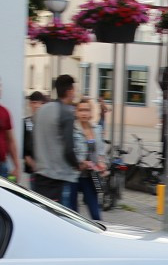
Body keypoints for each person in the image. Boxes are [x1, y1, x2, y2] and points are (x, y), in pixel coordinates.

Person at [32, 74, 79, 205]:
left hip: (40, 176)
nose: (74, 94)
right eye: (74, 90)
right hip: (58, 178)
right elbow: (69, 149)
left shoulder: (41, 110)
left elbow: (32, 141)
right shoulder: (66, 113)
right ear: (69, 91)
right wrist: (77, 164)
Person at [72, 97, 106, 221]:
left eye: (86, 110)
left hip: (90, 176)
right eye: (81, 110)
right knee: (73, 214)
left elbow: (101, 151)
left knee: (95, 213)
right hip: (75, 176)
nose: (84, 113)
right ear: (76, 112)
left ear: (91, 112)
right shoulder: (72, 130)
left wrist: (102, 163)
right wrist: (81, 162)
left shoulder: (96, 129)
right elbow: (69, 151)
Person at [23, 90, 46, 177]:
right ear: (30, 104)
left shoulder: (48, 124)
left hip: (45, 170)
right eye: (34, 103)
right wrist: (30, 162)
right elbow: (24, 147)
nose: (37, 106)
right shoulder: (25, 122)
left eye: (40, 103)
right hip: (30, 169)